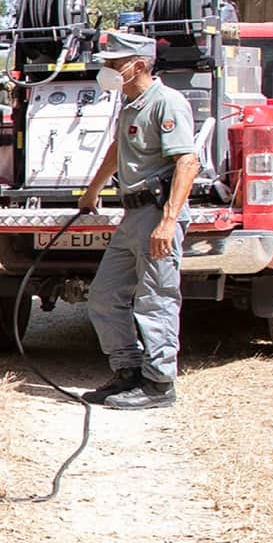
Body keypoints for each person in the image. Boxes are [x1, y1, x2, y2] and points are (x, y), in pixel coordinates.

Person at [78, 26, 200, 410]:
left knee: (155, 298)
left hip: (155, 214)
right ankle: (127, 372)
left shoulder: (168, 103)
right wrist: (93, 189)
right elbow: (118, 149)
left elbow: (187, 162)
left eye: (117, 63)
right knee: (103, 294)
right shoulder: (130, 104)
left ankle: (158, 384)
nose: (110, 69)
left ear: (140, 65)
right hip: (131, 216)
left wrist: (168, 222)